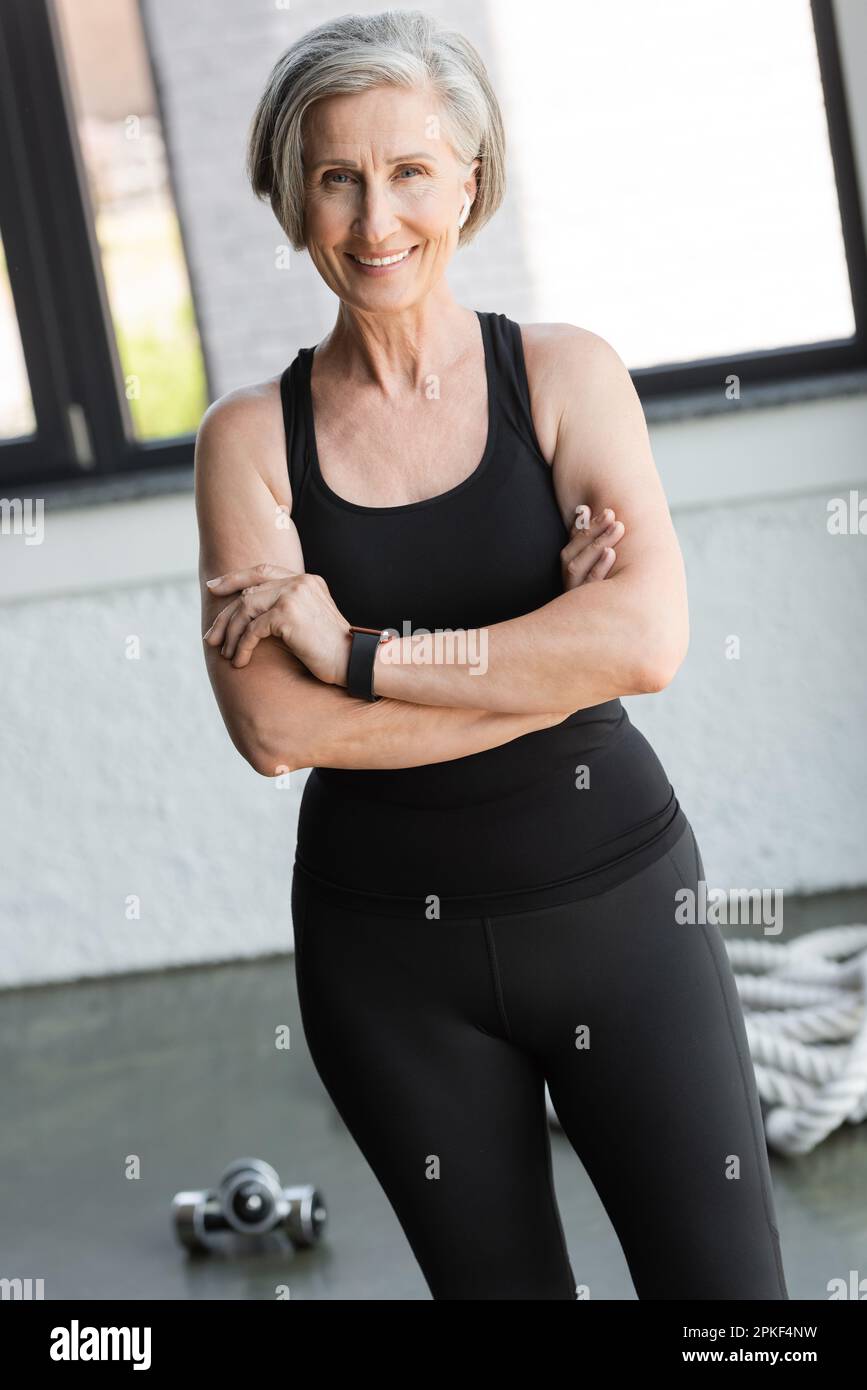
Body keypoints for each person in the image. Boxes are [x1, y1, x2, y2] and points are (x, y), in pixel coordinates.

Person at [196, 10, 788, 1301]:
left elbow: (649, 640)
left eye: (409, 170)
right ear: (294, 195)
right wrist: (548, 662)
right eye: (337, 177)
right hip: (388, 974)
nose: (374, 220)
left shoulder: (569, 377)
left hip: (622, 920)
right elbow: (273, 732)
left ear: (469, 176)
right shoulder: (246, 441)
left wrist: (351, 649)